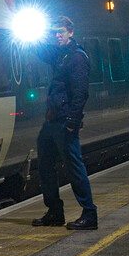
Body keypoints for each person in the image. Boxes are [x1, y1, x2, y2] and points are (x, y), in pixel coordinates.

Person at [31, 16, 98, 230]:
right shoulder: (60, 55)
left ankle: (90, 215)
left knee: (74, 168)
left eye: (60, 31)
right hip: (52, 121)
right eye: (54, 32)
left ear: (70, 32)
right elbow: (40, 51)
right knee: (45, 166)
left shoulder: (77, 58)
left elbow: (81, 93)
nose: (57, 35)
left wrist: (72, 121)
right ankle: (55, 212)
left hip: (65, 122)